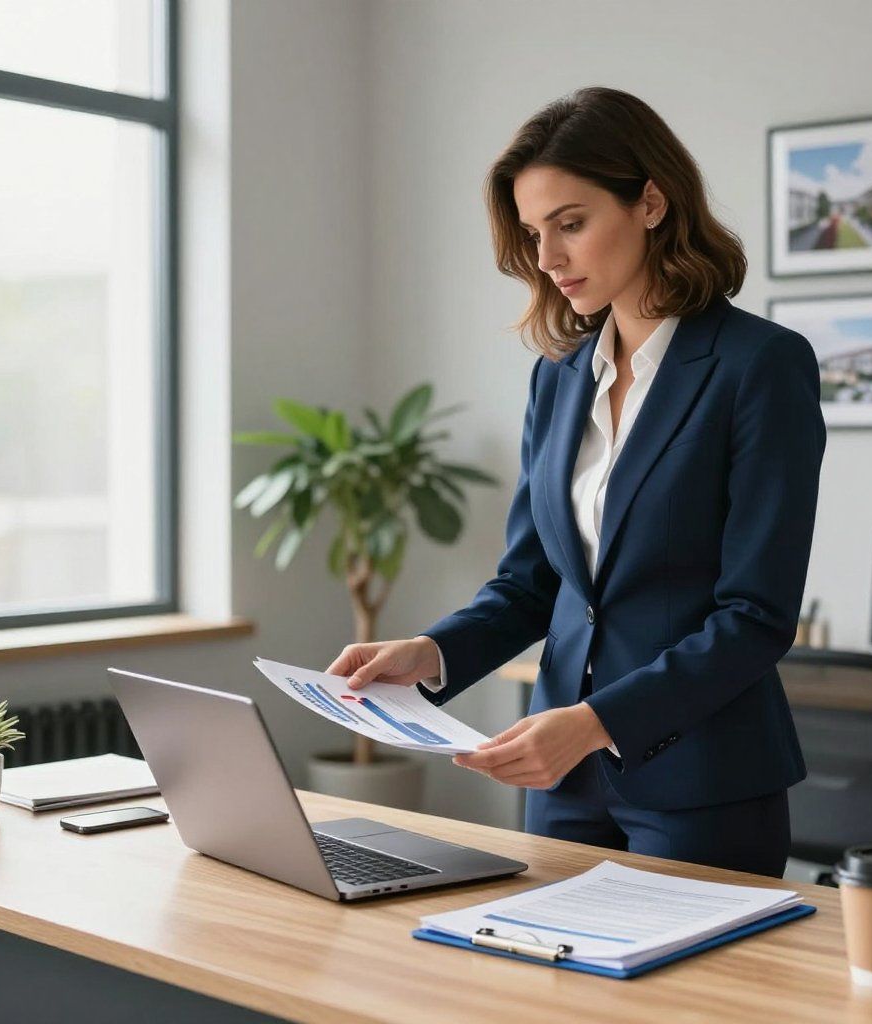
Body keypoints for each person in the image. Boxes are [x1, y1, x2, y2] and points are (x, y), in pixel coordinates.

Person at [326, 86, 826, 878]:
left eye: (571, 223)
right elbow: (533, 585)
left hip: (703, 784)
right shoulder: (557, 380)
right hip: (559, 781)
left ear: (651, 202)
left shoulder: (758, 366)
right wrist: (429, 652)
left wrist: (597, 721)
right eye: (533, 234)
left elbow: (755, 617)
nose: (548, 259)